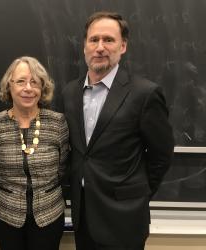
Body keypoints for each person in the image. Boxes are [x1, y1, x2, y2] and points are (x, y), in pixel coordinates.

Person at [60, 11, 174, 250]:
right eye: (94, 40)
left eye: (109, 40)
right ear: (84, 47)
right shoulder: (70, 93)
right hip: (83, 219)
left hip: (125, 220)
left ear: (123, 46)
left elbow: (161, 155)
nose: (100, 47)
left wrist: (136, 196)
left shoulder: (145, 93)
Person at [0, 56, 69, 250]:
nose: (28, 88)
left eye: (35, 82)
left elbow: (62, 167)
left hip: (49, 213)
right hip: (6, 213)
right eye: (21, 81)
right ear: (9, 86)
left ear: (42, 88)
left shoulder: (57, 122)